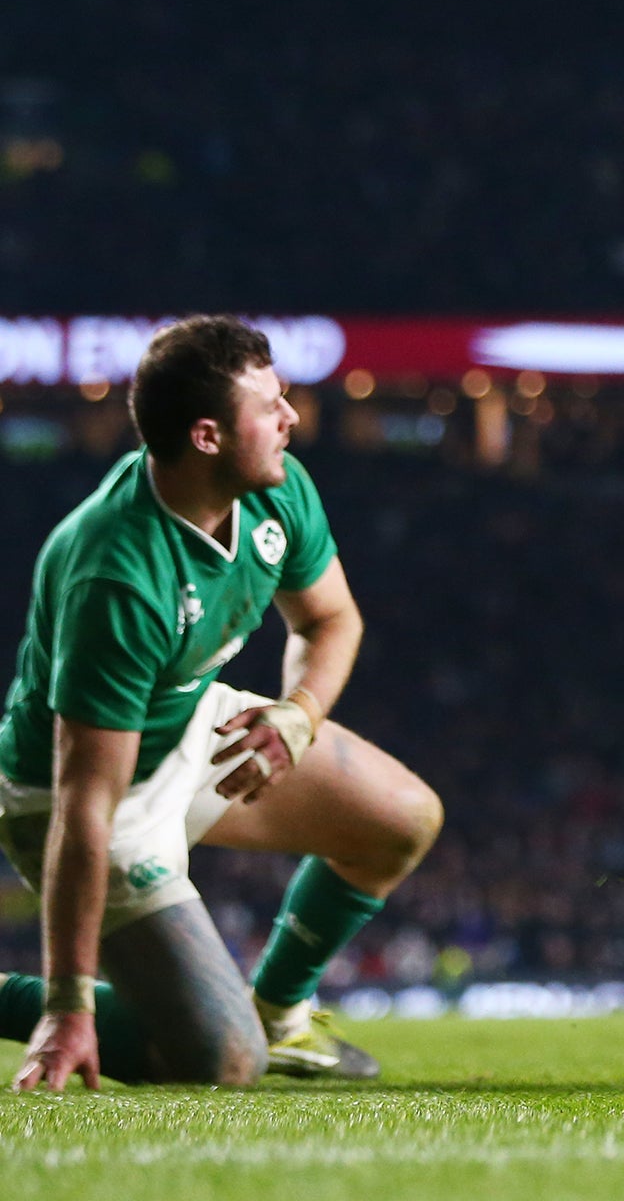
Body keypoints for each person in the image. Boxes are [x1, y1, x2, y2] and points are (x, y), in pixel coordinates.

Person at [0, 316, 443, 1091]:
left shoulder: (275, 490)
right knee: (221, 1064)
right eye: (270, 406)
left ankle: (280, 1010)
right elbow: (85, 804)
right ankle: (21, 1002)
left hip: (187, 723)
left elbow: (330, 619)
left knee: (403, 818)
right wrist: (68, 1004)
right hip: (85, 799)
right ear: (207, 437)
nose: (292, 418)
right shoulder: (117, 572)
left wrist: (297, 715)